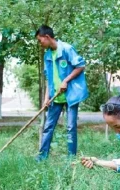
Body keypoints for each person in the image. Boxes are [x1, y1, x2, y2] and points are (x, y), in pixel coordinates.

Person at [35, 25, 88, 162]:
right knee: (48, 127)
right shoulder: (47, 55)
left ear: (47, 37)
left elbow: (80, 66)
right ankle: (42, 157)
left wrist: (66, 80)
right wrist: (46, 98)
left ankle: (71, 158)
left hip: (71, 95)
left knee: (71, 127)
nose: (40, 44)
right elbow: (49, 78)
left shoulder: (66, 49)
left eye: (40, 41)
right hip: (55, 97)